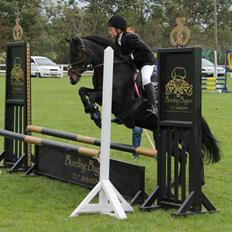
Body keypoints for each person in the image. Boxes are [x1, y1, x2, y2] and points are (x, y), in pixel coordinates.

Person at [107, 15, 158, 115]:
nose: (109, 32)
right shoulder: (117, 41)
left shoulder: (130, 37)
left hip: (146, 61)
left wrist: (130, 57)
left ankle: (154, 106)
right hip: (136, 64)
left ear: (118, 29)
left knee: (145, 79)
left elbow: (143, 50)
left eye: (111, 30)